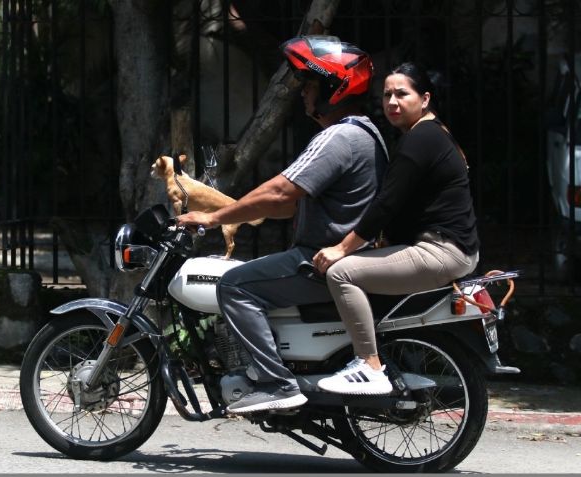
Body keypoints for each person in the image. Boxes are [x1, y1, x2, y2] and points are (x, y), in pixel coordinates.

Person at [175, 35, 388, 414]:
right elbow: (285, 207)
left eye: (309, 84)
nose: (304, 93)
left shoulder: (340, 136)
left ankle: (275, 383)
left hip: (320, 261)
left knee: (234, 285)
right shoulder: (364, 133)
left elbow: (280, 192)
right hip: (334, 257)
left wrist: (213, 216)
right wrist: (247, 212)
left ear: (333, 87)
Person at [313, 62, 480, 395]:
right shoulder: (433, 134)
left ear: (425, 98)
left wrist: (341, 248)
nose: (392, 102)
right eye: (387, 94)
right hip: (449, 248)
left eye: (402, 94)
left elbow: (385, 205)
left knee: (341, 273)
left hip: (440, 251)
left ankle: (369, 365)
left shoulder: (420, 139)